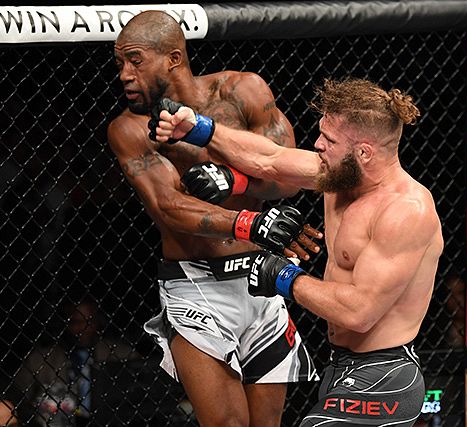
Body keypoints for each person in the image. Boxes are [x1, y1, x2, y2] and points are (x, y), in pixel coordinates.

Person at [152, 77, 444, 426]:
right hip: (341, 368)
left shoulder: (405, 211)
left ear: (364, 152)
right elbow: (268, 158)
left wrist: (284, 277)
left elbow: (359, 312)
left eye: (329, 141)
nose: (318, 145)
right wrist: (199, 128)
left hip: (385, 374)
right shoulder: (339, 177)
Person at [107, 10, 319, 427]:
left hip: (261, 278)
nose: (125, 75)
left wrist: (233, 179)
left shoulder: (243, 91)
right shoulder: (129, 129)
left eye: (135, 60)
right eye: (120, 64)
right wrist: (251, 223)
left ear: (173, 58)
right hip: (196, 285)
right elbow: (168, 206)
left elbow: (289, 178)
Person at [14, 298, 138, 427]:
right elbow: (18, 398)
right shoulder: (40, 359)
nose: (83, 328)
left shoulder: (121, 354)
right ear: (65, 323)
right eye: (76, 322)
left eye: (89, 322)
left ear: (97, 322)